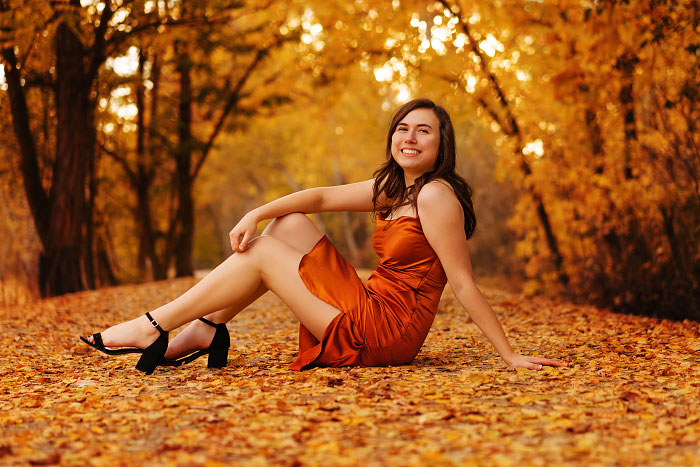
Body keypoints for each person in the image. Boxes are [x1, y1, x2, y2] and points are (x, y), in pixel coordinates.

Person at [81, 98, 564, 374]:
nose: (410, 138)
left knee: (266, 253)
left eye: (424, 132)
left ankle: (154, 325)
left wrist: (509, 354)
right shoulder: (396, 188)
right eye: (402, 129)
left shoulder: (436, 197)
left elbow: (462, 284)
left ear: (441, 146)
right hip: (370, 302)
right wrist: (257, 211)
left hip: (387, 333)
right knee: (285, 224)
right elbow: (318, 199)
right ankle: (207, 329)